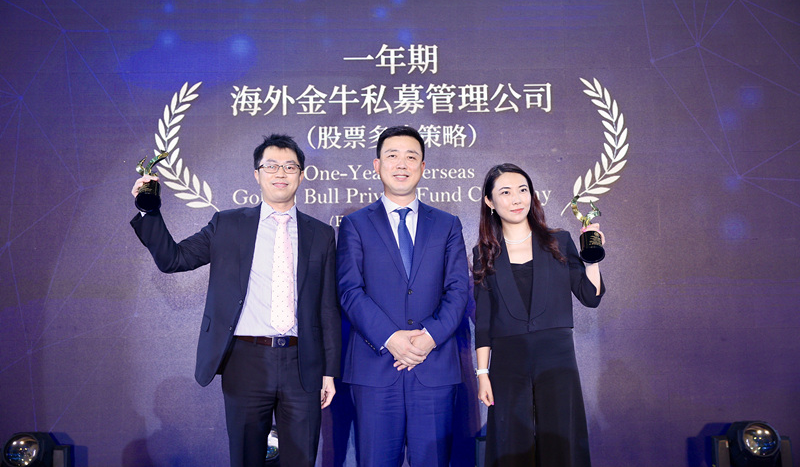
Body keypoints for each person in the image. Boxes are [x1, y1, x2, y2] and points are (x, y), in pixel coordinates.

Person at [130, 134, 341, 467]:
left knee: (301, 459)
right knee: (245, 458)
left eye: (290, 167)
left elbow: (327, 307)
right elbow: (173, 259)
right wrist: (149, 211)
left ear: (301, 175)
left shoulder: (321, 234)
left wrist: (328, 372)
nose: (280, 173)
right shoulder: (227, 224)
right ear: (257, 174)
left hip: (303, 363)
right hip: (245, 360)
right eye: (271, 166)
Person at [336, 125, 470, 466]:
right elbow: (350, 291)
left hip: (434, 367)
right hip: (375, 367)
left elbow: (457, 290)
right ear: (377, 165)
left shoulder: (447, 224)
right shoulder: (355, 224)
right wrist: (391, 338)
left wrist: (429, 338)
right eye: (392, 155)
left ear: (422, 167)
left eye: (411, 157)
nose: (402, 164)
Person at [473, 163, 606, 467]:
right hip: (508, 361)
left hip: (557, 359)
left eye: (523, 190)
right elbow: (483, 321)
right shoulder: (484, 253)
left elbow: (590, 297)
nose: (516, 199)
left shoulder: (559, 241)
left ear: (532, 196)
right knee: (510, 447)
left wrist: (592, 257)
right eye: (505, 192)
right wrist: (482, 374)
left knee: (562, 445)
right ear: (490, 201)